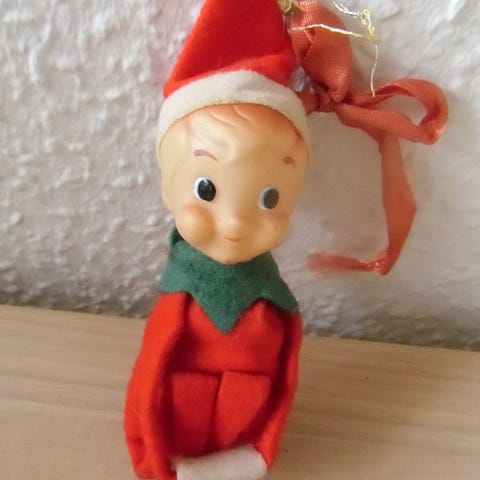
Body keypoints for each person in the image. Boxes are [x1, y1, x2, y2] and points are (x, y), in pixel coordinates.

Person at [124, 1, 447, 479]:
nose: (235, 223)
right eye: (206, 190)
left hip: (243, 443)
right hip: (176, 443)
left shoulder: (277, 304)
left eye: (269, 198)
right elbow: (149, 380)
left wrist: (262, 448)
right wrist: (154, 459)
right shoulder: (181, 300)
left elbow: (284, 379)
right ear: (167, 187)